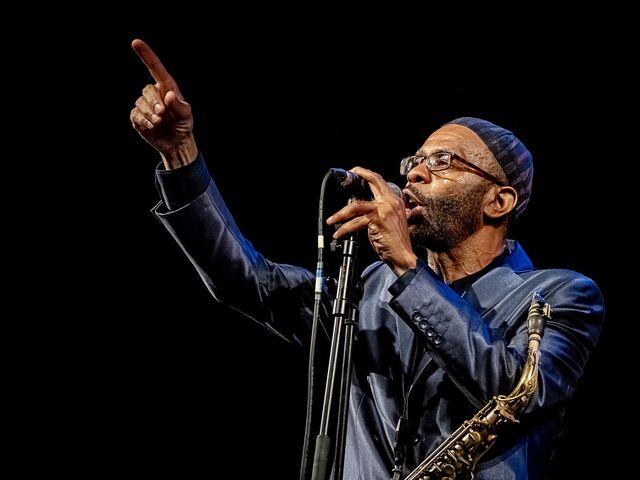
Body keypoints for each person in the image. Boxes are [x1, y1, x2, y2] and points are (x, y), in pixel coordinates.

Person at [129, 39, 605, 480]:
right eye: (414, 162)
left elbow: (516, 391)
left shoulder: (561, 295)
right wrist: (181, 157)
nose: (415, 174)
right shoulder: (372, 287)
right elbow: (249, 282)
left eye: (442, 162)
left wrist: (408, 270)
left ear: (498, 202)